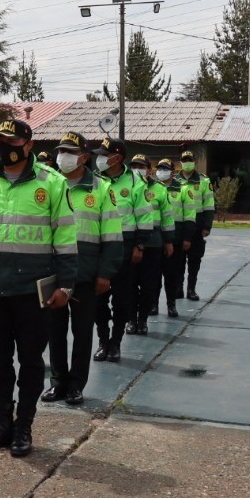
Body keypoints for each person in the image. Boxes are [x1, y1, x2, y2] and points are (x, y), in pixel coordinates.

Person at [0, 119, 76, 457]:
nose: (5, 146)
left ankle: (23, 427)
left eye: (11, 141)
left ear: (28, 145)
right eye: (0, 140)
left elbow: (65, 237)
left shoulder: (52, 183)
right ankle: (2, 425)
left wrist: (66, 285)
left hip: (32, 289)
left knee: (30, 361)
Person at [41, 132, 120, 406]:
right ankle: (57, 382)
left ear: (84, 157)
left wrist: (105, 273)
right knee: (54, 331)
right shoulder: (50, 183)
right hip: (54, 271)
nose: (62, 157)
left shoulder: (101, 189)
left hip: (86, 273)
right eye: (61, 151)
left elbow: (112, 234)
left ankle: (76, 385)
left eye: (70, 152)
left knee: (82, 331)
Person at [92, 138, 143, 363]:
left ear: (118, 158)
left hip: (125, 245)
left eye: (105, 155)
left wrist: (140, 245)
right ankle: (103, 341)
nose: (100, 159)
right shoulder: (93, 180)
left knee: (122, 299)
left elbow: (144, 216)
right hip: (99, 246)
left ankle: (116, 343)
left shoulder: (135, 182)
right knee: (98, 298)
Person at [127, 154, 174, 336]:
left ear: (149, 170)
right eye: (134, 166)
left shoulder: (160, 189)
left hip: (153, 242)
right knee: (130, 283)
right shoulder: (127, 186)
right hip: (131, 240)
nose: (137, 170)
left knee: (149, 285)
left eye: (141, 166)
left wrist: (168, 241)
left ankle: (142, 321)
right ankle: (131, 320)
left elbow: (167, 216)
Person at [176, 149, 214, 301]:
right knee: (178, 260)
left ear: (195, 162)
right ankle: (178, 289)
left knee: (195, 259)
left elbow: (209, 204)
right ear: (180, 163)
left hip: (197, 223)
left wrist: (207, 226)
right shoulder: (175, 181)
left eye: (189, 160)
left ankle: (191, 289)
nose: (187, 163)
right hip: (180, 223)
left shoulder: (204, 181)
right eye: (184, 160)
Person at [162, 158, 197, 318]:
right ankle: (153, 305)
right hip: (156, 238)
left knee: (172, 275)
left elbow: (189, 215)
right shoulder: (151, 188)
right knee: (153, 276)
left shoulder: (183, 189)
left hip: (176, 238)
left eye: (165, 169)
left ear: (173, 172)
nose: (161, 172)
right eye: (160, 169)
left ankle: (171, 305)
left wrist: (188, 238)